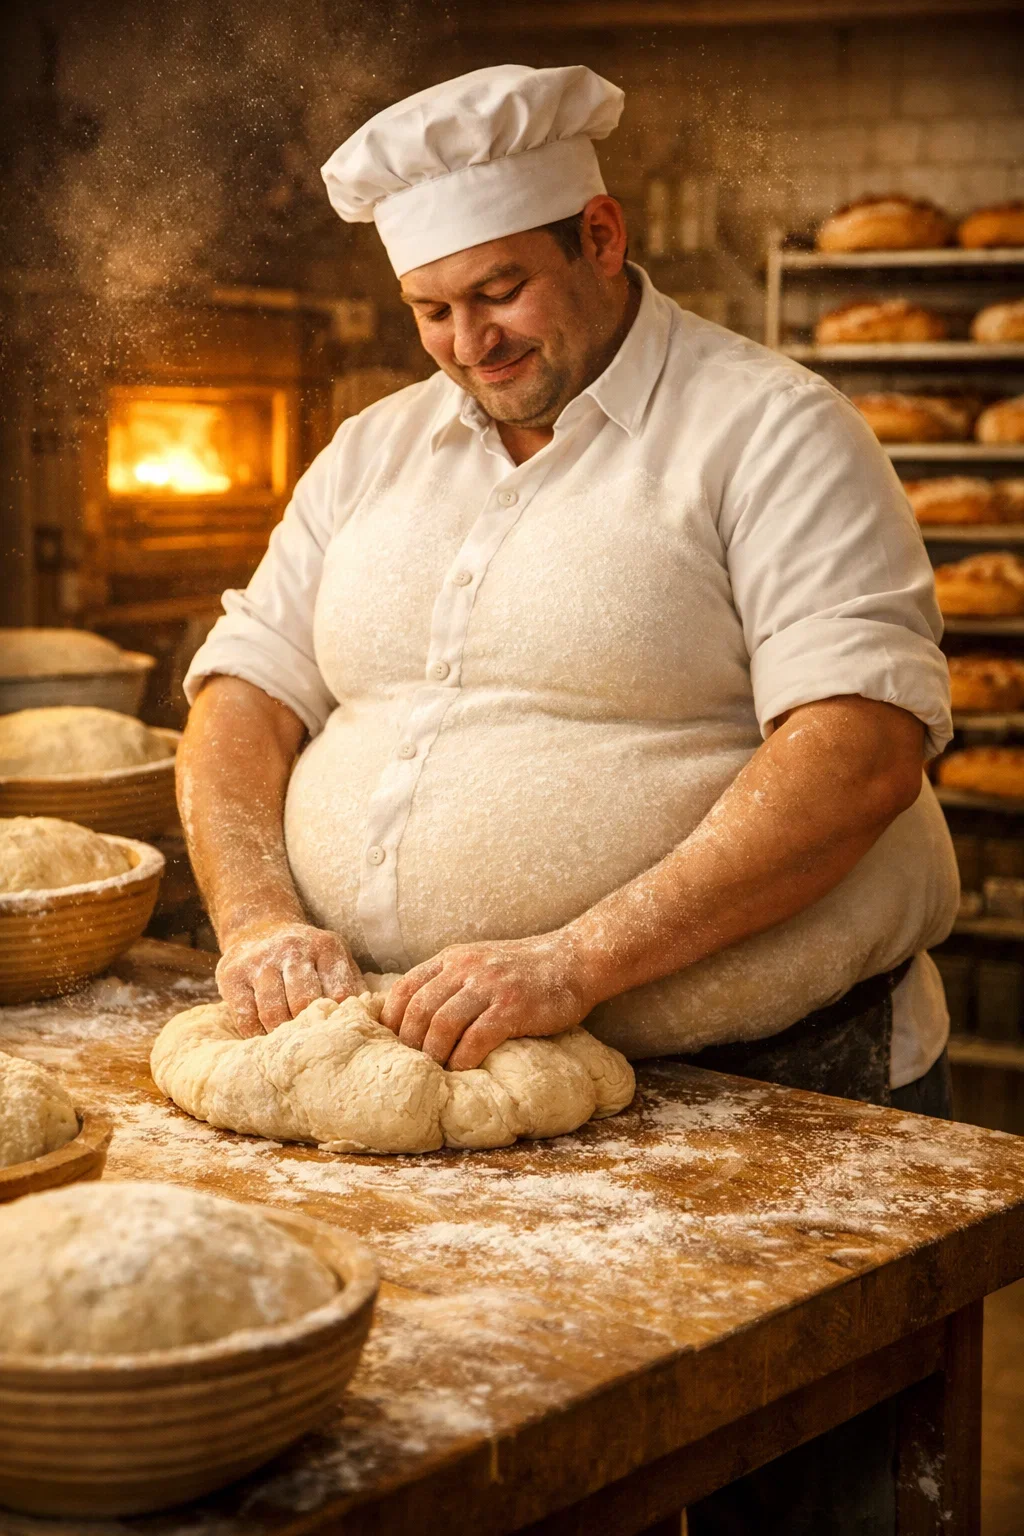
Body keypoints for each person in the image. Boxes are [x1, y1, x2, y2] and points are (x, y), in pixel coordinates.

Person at [179, 66, 958, 1533]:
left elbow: (859, 749)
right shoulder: (372, 451)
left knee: (799, 1492)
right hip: (447, 1088)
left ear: (600, 237)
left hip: (772, 1099)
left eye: (499, 293)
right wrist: (260, 914)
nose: (467, 344)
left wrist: (573, 960)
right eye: (432, 311)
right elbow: (243, 692)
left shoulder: (773, 432)